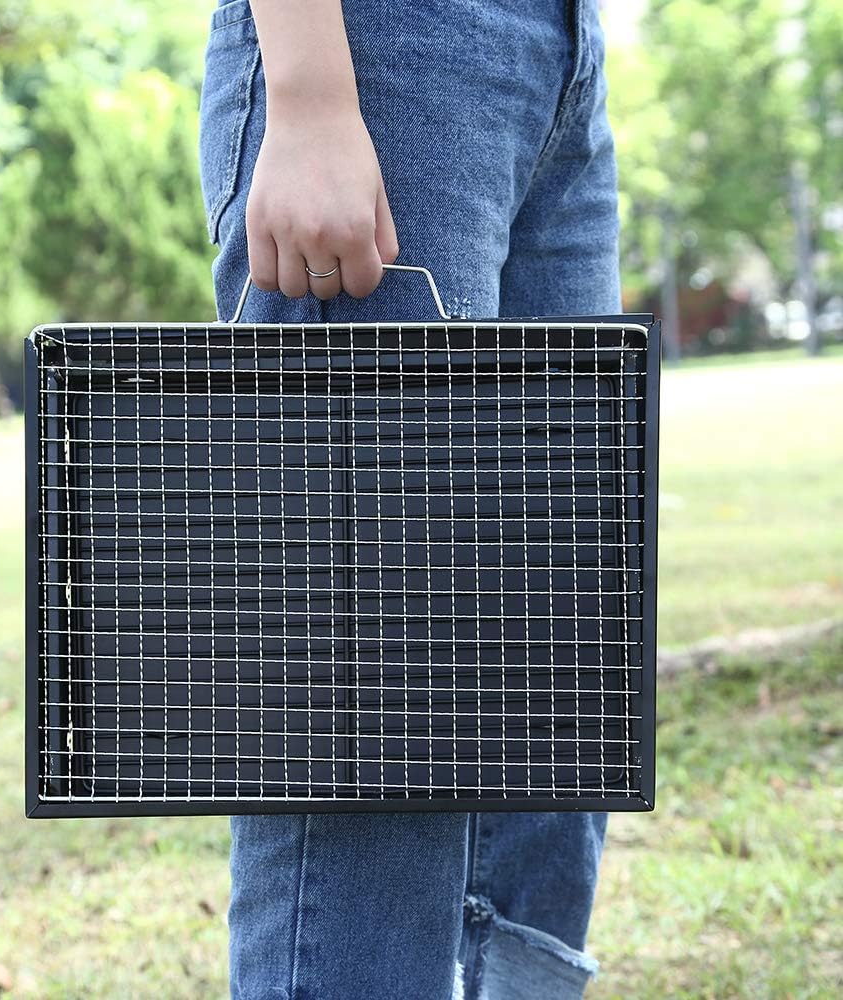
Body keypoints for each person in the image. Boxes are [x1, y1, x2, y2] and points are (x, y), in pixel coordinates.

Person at [197, 1, 618, 996]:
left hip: (562, 55)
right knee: (375, 708)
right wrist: (309, 94)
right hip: (383, 47)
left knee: (556, 659)